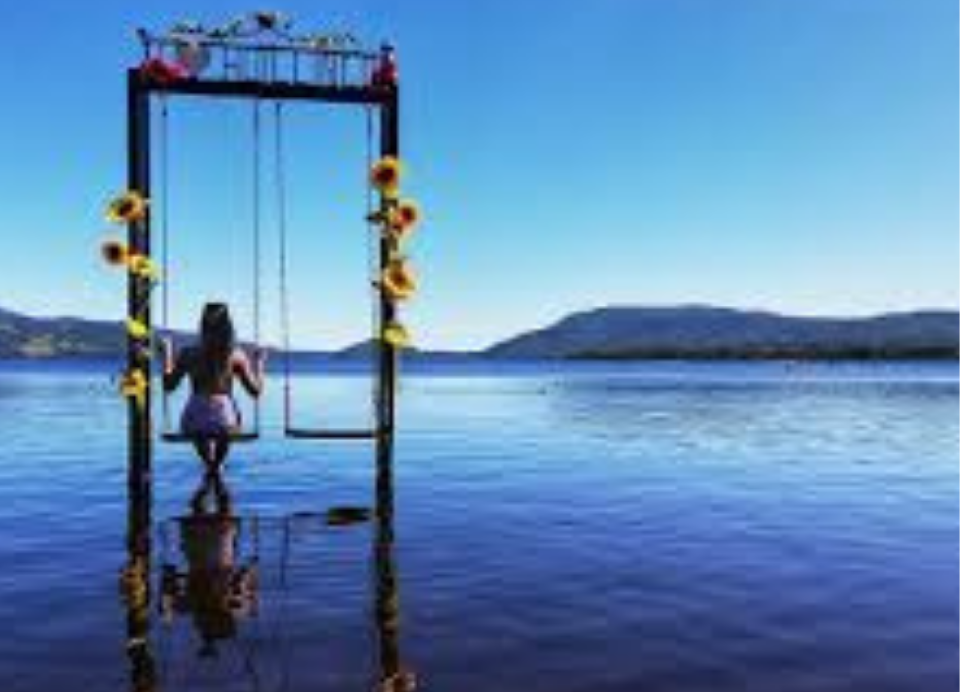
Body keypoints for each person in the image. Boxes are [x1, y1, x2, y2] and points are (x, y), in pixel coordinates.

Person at [161, 302, 266, 470]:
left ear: (202, 325)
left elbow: (168, 386)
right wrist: (259, 364)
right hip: (225, 423)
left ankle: (210, 467)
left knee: (201, 427)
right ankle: (216, 468)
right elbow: (256, 392)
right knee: (224, 423)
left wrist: (167, 354)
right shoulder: (236, 356)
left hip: (194, 421)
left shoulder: (188, 353)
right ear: (228, 326)